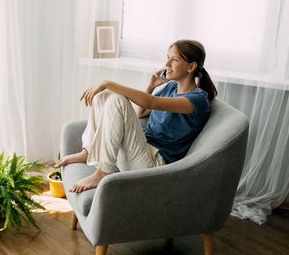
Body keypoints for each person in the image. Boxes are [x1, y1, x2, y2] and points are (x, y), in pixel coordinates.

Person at [55, 39, 217, 193]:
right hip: (139, 151)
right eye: (167, 58)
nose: (166, 64)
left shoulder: (197, 99)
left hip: (152, 163)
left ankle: (102, 172)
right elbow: (141, 112)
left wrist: (107, 82)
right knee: (103, 95)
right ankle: (87, 151)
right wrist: (151, 86)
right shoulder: (171, 88)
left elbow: (150, 103)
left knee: (117, 98)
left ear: (191, 67)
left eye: (174, 60)